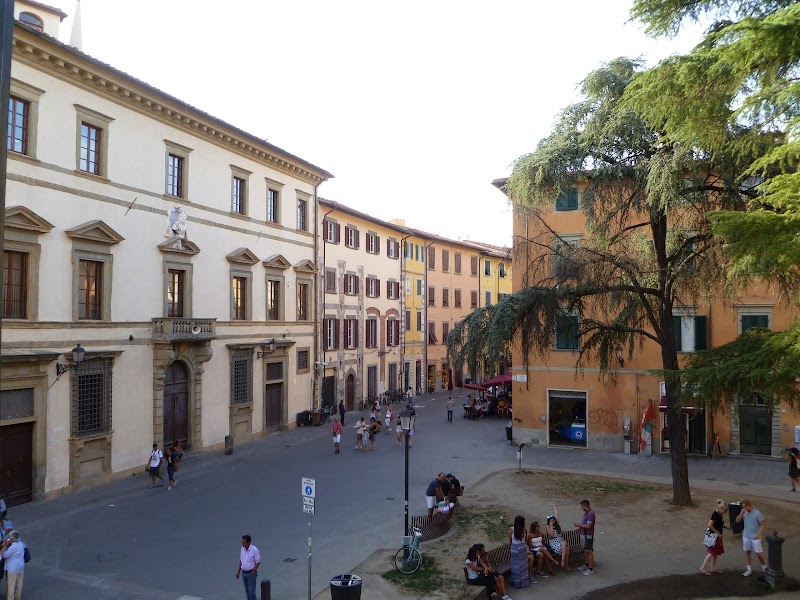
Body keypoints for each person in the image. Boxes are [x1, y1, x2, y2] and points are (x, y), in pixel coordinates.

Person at [736, 499, 765, 577]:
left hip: (755, 537)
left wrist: (759, 534)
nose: (744, 508)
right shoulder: (743, 513)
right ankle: (749, 569)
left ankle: (765, 568)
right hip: (746, 536)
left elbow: (762, 524)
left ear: (749, 505)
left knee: (759, 553)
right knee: (747, 552)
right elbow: (737, 520)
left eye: (745, 506)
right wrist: (741, 513)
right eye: (742, 506)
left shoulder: (757, 513)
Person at [700, 499, 728, 575]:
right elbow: (710, 525)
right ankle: (703, 567)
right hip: (714, 536)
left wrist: (726, 527)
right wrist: (718, 533)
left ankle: (713, 567)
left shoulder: (720, 514)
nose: (725, 512)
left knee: (715, 552)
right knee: (712, 552)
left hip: (716, 536)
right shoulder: (715, 514)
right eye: (725, 510)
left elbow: (719, 524)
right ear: (720, 508)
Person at [508, 515, 534, 588]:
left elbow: (510, 539)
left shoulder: (512, 529)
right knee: (523, 566)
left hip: (515, 548)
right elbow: (526, 539)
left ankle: (516, 582)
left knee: (516, 566)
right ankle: (524, 582)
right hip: (522, 548)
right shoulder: (524, 530)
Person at [1, 530, 25, 600]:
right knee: (19, 583)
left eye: (9, 537)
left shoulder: (13, 548)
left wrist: (5, 546)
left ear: (12, 539)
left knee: (11, 585)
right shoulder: (21, 544)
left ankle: (10, 598)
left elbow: (5, 555)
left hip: (13, 568)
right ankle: (18, 597)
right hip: (20, 567)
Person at [235, 534, 261, 600]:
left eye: (244, 542)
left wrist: (253, 572)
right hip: (244, 573)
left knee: (251, 591)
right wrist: (238, 571)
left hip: (251, 573)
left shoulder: (254, 550)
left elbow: (258, 562)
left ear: (248, 542)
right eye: (242, 542)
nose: (242, 544)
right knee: (247, 590)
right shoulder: (242, 549)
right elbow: (241, 560)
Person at [574, 499, 595, 575]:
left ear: (585, 505)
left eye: (582, 506)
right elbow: (585, 525)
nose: (581, 508)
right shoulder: (586, 513)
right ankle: (586, 564)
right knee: (586, 551)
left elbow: (588, 526)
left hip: (588, 535)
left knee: (589, 551)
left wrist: (579, 525)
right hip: (584, 534)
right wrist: (580, 529)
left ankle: (590, 568)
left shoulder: (590, 514)